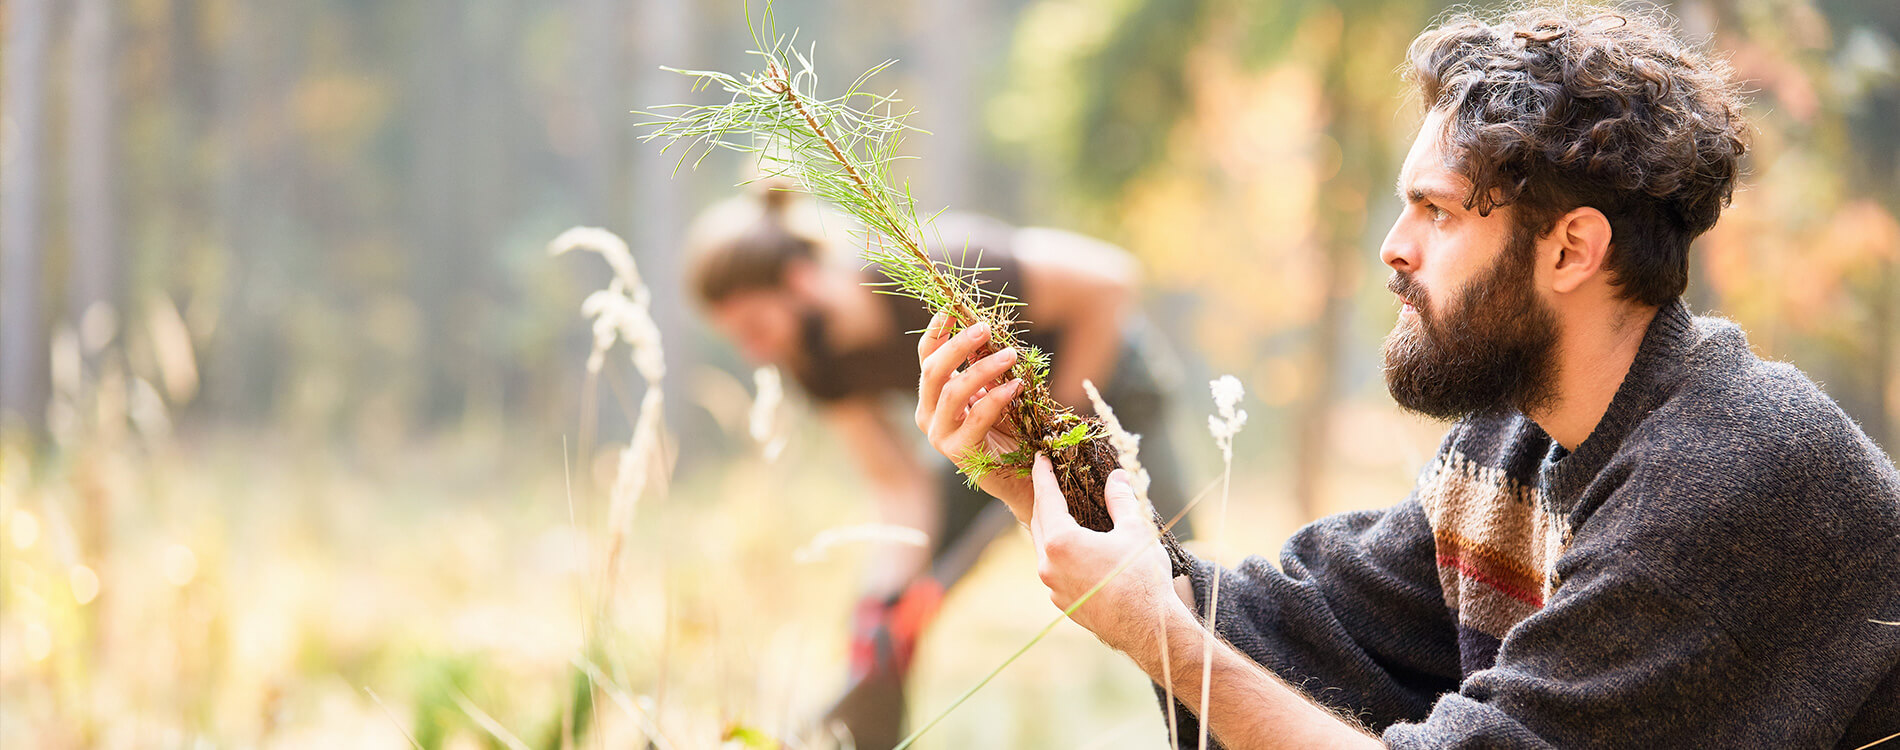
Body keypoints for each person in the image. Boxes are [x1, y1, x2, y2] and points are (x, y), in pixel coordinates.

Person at [914, 5, 1900, 748]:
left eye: (1436, 212)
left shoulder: (1724, 475)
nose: (1393, 249)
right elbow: (1313, 632)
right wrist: (1033, 475)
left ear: (1570, 251)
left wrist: (1153, 633)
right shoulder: (1512, 439)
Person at [685, 184, 1195, 748]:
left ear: (800, 283)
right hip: (989, 426)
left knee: (1174, 585)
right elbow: (897, 484)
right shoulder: (815, 361)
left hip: (1104, 395)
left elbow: (1109, 280)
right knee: (892, 619)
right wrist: (885, 599)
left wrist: (1059, 437)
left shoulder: (930, 265)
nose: (756, 351)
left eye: (756, 327)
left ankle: (1211, 722)